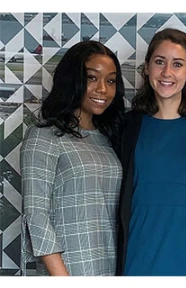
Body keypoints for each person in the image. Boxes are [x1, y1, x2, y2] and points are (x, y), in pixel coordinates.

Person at [115, 28, 186, 276]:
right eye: (159, 62)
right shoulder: (125, 127)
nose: (166, 72)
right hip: (135, 259)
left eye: (177, 64)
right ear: (147, 67)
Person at [20, 40, 125, 276]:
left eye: (110, 81)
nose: (103, 89)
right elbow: (36, 215)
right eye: (92, 78)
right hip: (69, 270)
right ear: (73, 80)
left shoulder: (110, 139)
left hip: (110, 267)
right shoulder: (45, 136)